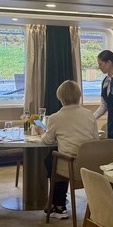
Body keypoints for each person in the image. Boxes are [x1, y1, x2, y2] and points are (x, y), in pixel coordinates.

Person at [35, 80, 98, 219]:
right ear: (78, 96)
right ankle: (56, 202)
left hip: (70, 163)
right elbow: (95, 139)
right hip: (90, 162)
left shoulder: (56, 117)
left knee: (51, 161)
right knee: (51, 159)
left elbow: (47, 141)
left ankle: (58, 203)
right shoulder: (89, 114)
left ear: (61, 98)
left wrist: (40, 131)